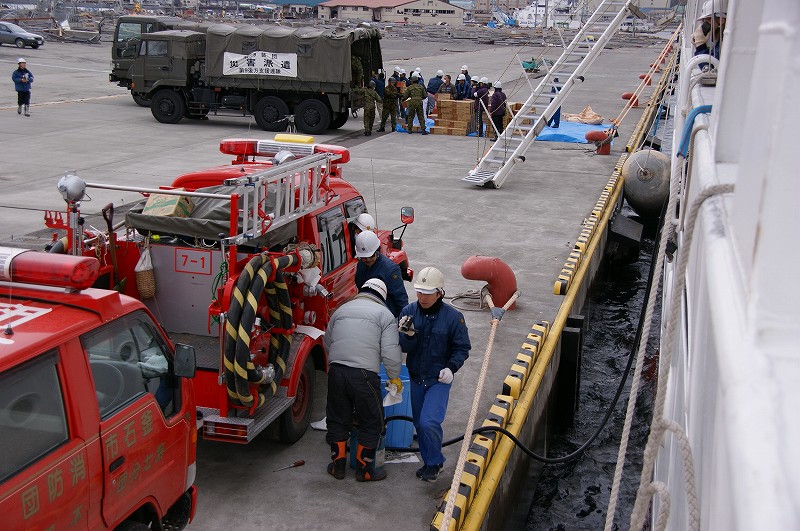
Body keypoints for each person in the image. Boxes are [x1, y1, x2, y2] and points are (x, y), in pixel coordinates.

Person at [324, 278, 403, 482]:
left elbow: (328, 340)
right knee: (372, 421)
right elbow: (391, 352)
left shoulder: (341, 310)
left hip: (336, 371)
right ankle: (365, 470)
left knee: (337, 418)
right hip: (364, 376)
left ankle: (337, 466)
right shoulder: (385, 315)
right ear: (382, 296)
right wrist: (394, 377)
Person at [398, 267, 471, 482]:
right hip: (416, 377)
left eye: (427, 293)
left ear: (440, 293)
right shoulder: (408, 313)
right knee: (420, 424)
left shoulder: (453, 318)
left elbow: (462, 347)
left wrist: (451, 368)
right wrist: (408, 335)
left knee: (429, 421)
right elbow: (404, 347)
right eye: (419, 292)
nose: (422, 297)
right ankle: (432, 462)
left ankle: (433, 462)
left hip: (438, 379)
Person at [354, 230, 408, 318]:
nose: (367, 260)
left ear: (377, 251)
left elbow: (400, 299)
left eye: (371, 256)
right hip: (367, 314)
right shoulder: (361, 265)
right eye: (364, 257)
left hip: (386, 317)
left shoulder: (390, 269)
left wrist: (404, 320)